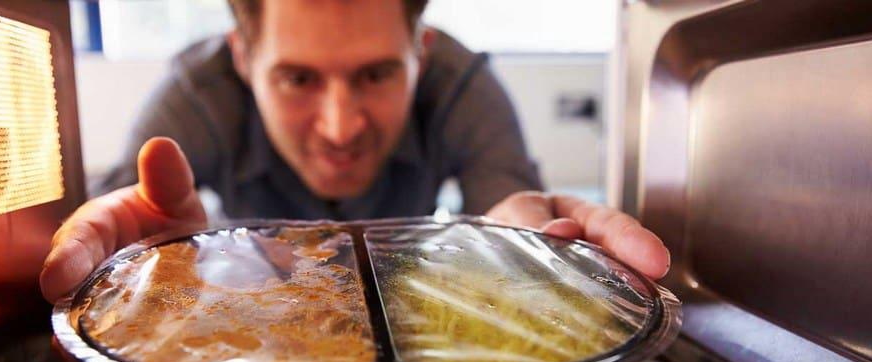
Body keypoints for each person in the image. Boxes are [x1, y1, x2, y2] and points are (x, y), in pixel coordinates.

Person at [39, 0, 669, 302]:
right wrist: (145, 264)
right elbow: (125, 219)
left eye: (375, 75)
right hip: (265, 306)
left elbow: (507, 206)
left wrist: (522, 246)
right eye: (298, 79)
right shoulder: (195, 96)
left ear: (420, 54)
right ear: (242, 57)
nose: (340, 128)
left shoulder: (461, 84)